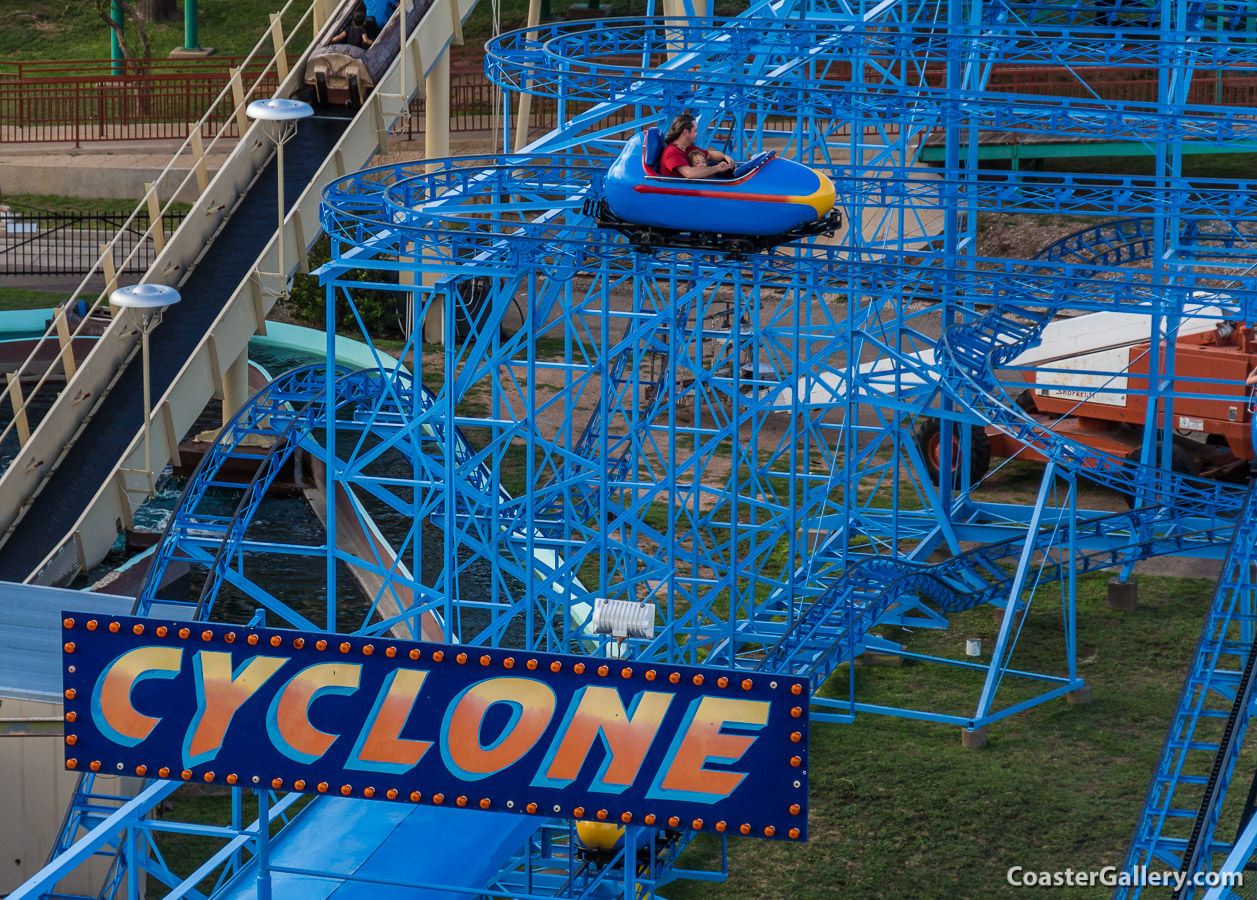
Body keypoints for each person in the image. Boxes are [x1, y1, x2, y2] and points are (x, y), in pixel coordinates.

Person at [659, 112, 735, 179]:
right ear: (686, 132)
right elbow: (690, 174)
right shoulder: (672, 152)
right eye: (695, 131)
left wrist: (725, 157)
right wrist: (718, 168)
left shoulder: (688, 149)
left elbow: (710, 155)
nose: (697, 134)